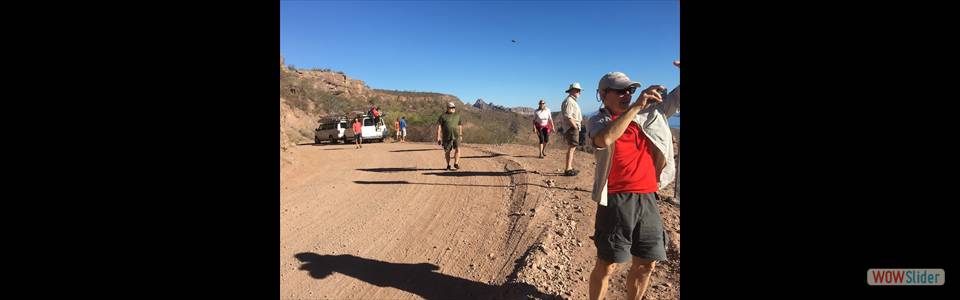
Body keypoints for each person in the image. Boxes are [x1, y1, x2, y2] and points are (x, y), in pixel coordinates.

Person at [586, 61, 680, 300]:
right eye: (620, 90)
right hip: (616, 199)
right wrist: (635, 107)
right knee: (607, 265)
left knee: (647, 264)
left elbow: (676, 99)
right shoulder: (598, 120)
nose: (627, 94)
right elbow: (604, 139)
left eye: (630, 90)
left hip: (648, 197)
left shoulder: (649, 113)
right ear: (604, 95)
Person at [560, 82, 583, 176]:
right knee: (572, 147)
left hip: (572, 127)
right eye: (577, 90)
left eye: (579, 90)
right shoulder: (569, 101)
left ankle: (569, 167)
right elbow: (568, 116)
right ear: (572, 91)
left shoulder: (571, 100)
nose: (579, 92)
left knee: (572, 147)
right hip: (571, 127)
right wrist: (575, 126)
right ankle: (568, 169)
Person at [435, 102, 463, 171]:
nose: (453, 109)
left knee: (458, 149)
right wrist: (438, 137)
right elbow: (439, 127)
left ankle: (456, 163)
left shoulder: (457, 115)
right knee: (447, 151)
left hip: (456, 136)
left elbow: (460, 126)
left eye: (454, 107)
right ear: (447, 108)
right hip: (446, 137)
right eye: (451, 107)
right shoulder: (443, 116)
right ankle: (448, 165)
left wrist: (461, 134)